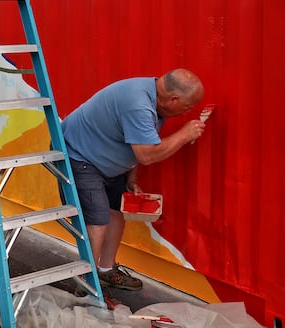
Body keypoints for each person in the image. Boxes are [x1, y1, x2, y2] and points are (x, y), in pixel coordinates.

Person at [61, 68, 206, 291]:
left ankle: (106, 270)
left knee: (117, 213)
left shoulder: (156, 101)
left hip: (102, 158)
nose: (188, 113)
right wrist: (185, 135)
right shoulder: (138, 103)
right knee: (98, 221)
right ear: (173, 98)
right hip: (79, 155)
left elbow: (140, 137)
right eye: (187, 107)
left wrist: (132, 175)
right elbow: (147, 153)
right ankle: (86, 282)